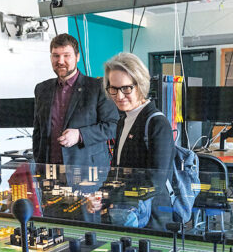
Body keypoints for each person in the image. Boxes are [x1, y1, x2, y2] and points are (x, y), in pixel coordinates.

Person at [103, 52, 174, 229]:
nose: (119, 96)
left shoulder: (157, 123)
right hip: (125, 210)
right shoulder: (123, 120)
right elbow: (118, 170)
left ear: (140, 85)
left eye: (126, 88)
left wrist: (115, 197)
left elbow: (155, 181)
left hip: (152, 218)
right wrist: (102, 196)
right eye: (113, 88)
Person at [32, 33, 118, 170]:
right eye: (55, 56)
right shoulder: (42, 89)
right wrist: (38, 161)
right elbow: (38, 130)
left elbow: (113, 126)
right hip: (49, 171)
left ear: (77, 57)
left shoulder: (97, 87)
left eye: (66, 55)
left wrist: (80, 135)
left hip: (87, 170)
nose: (60, 61)